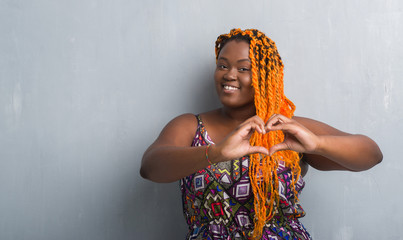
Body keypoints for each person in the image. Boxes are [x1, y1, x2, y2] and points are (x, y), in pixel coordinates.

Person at [140, 28, 383, 240]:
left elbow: (372, 154)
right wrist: (215, 153)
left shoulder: (286, 129)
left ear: (266, 76)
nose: (229, 75)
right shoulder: (190, 126)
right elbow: (150, 167)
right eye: (222, 65)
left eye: (243, 68)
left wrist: (317, 144)